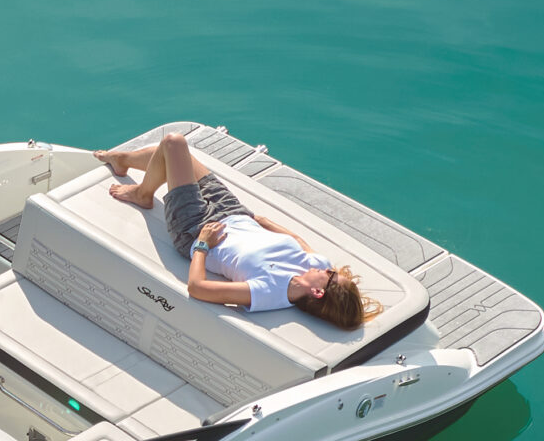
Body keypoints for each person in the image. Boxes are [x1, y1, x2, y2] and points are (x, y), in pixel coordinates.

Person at [93, 131, 381, 329]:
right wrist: (261, 220)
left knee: (174, 143)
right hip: (234, 212)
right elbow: (297, 239)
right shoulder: (316, 265)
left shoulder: (270, 292)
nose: (332, 269)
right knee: (173, 156)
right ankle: (124, 161)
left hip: (195, 227)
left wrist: (203, 245)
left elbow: (198, 288)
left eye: (332, 276)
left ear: (318, 292)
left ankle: (144, 194)